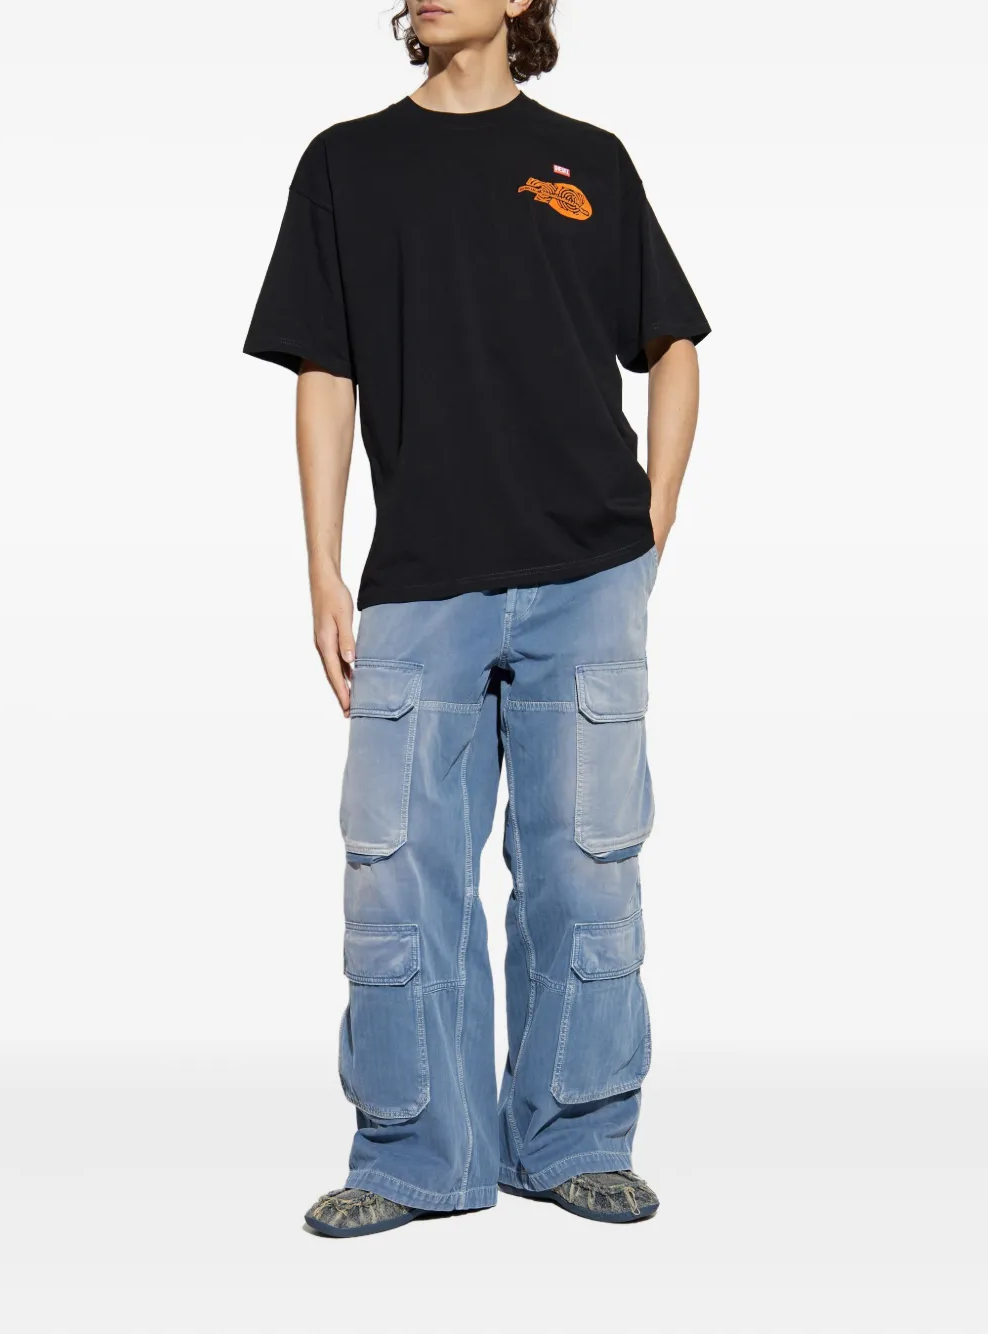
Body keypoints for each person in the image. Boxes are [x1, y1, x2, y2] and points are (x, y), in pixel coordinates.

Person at [243, 0, 710, 1237]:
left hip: (587, 573)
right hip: (419, 576)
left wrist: (654, 518)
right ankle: (414, 1156)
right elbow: (325, 369)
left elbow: (671, 342)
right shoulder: (346, 163)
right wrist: (321, 565)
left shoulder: (588, 160)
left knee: (584, 872)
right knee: (397, 878)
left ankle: (576, 1140)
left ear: (522, 2)